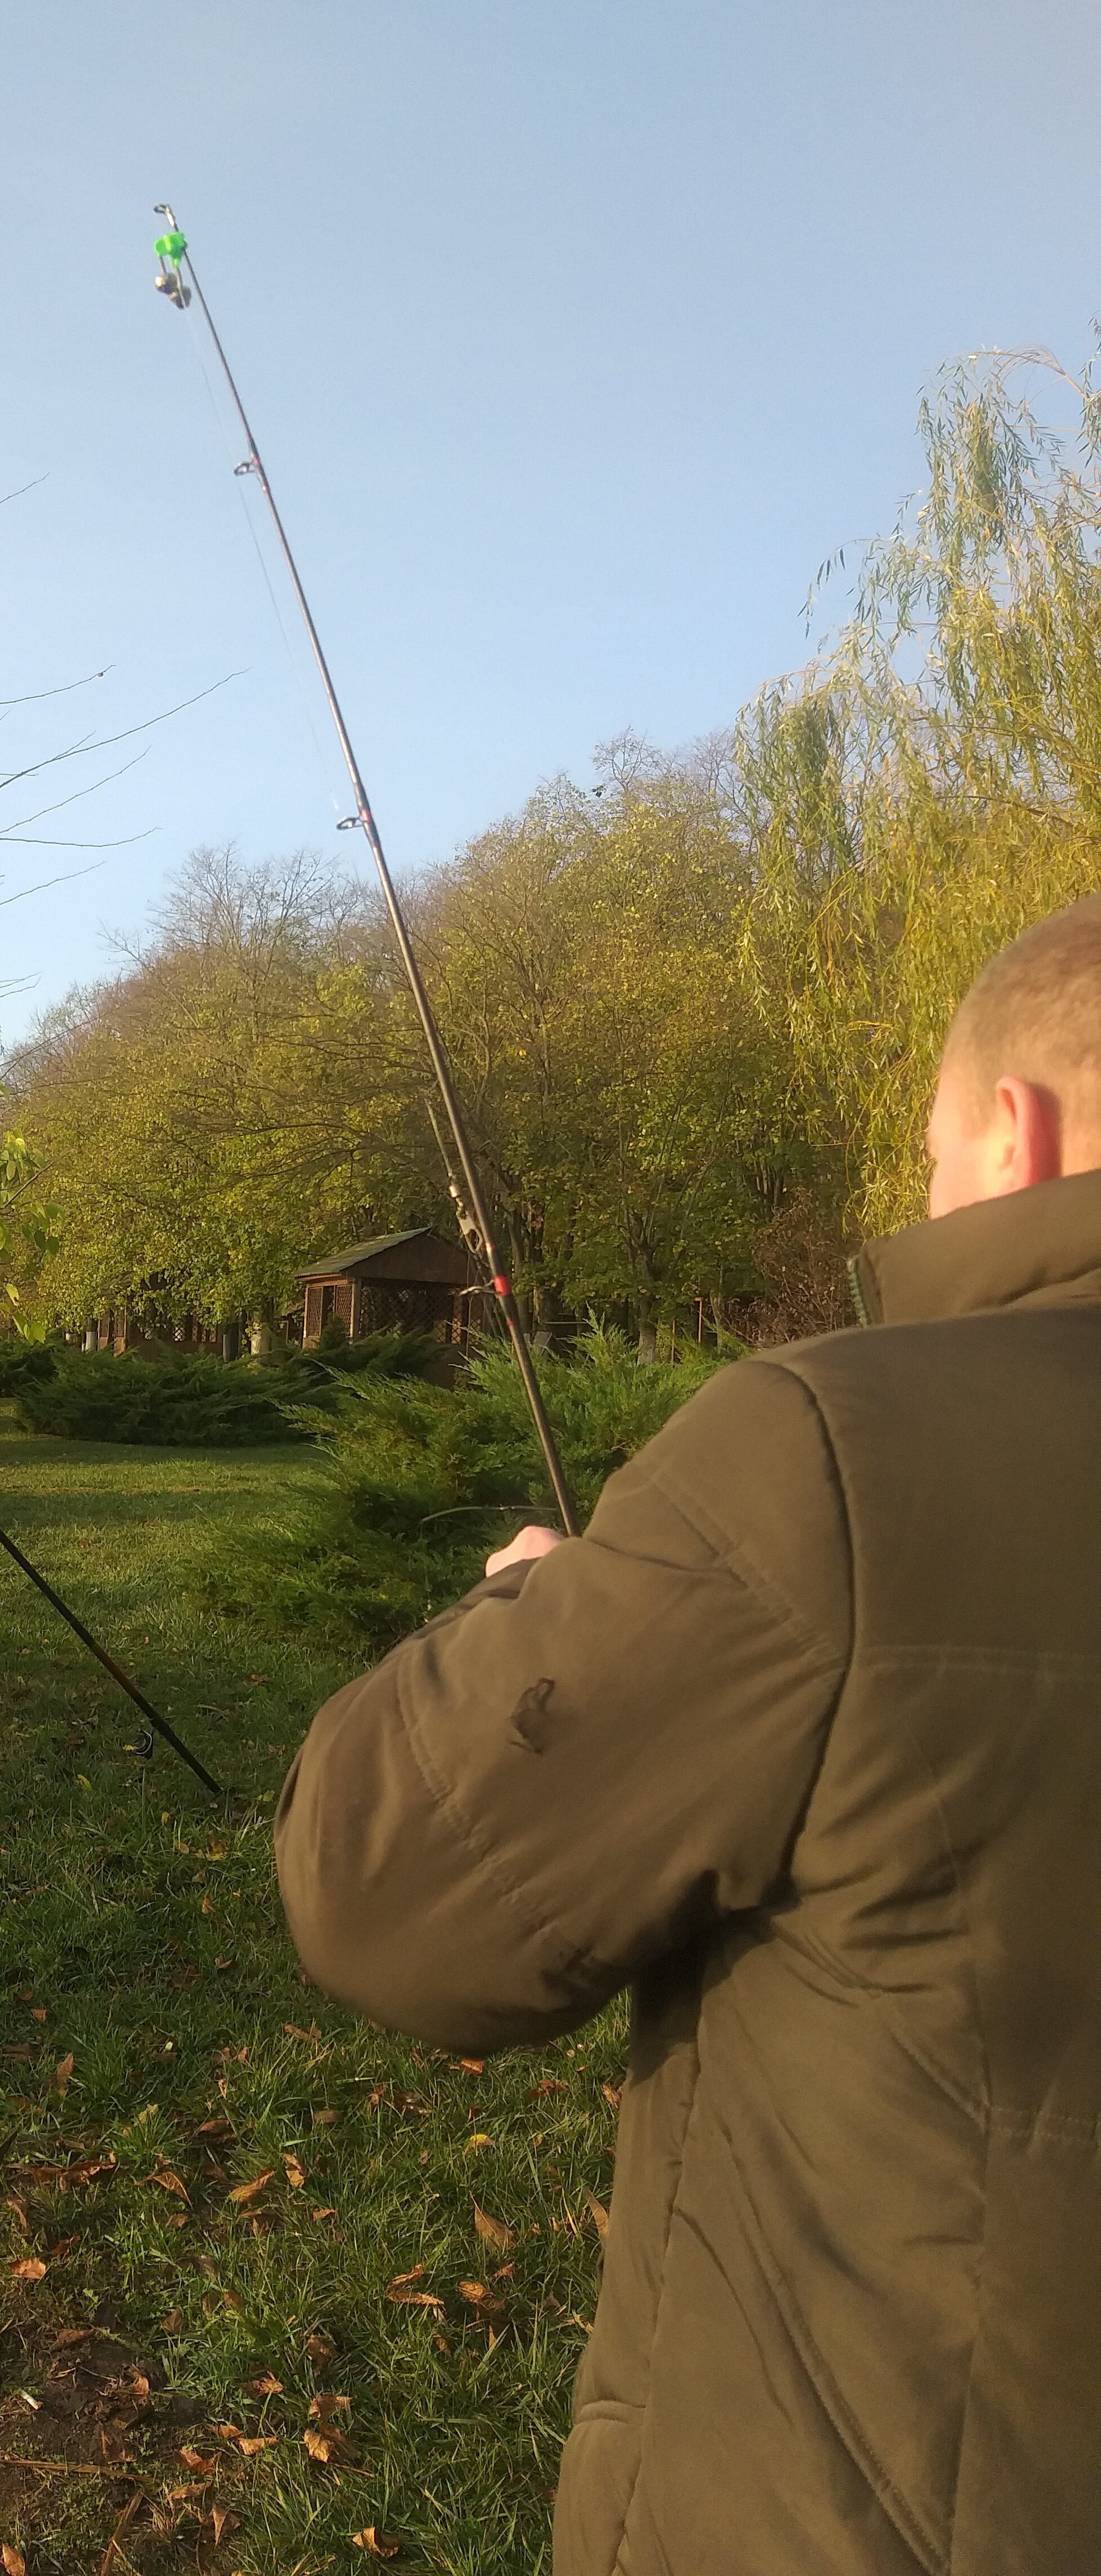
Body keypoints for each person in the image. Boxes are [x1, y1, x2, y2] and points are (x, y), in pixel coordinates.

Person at [274, 896, 1101, 2575]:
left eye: (931, 1153)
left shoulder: (835, 1448)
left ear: (1015, 1138)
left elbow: (380, 1893)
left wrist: (521, 1606)